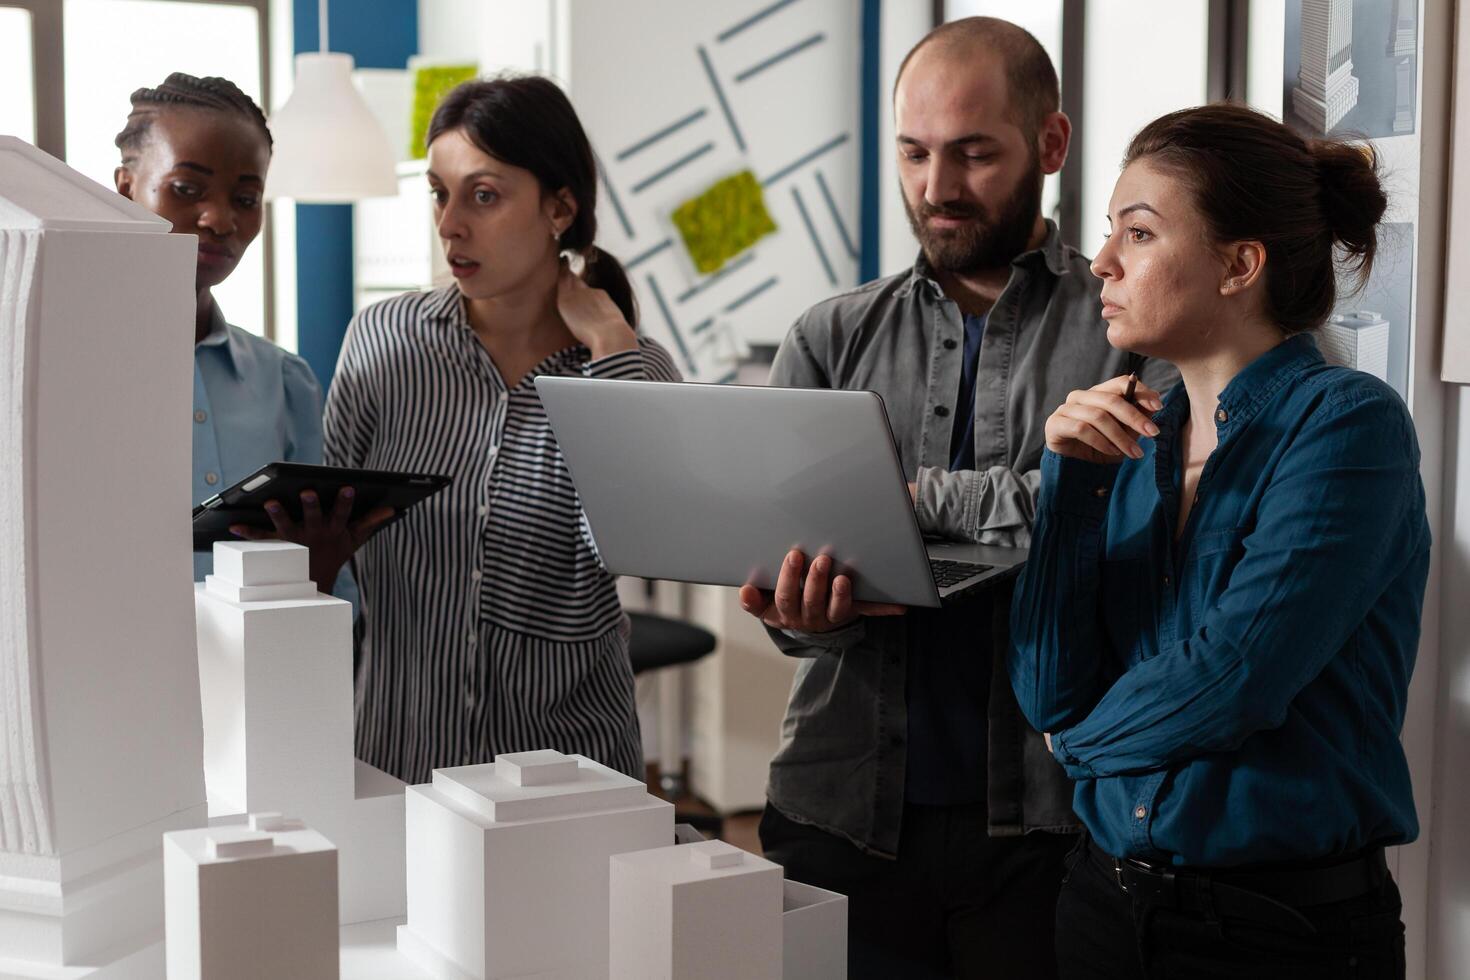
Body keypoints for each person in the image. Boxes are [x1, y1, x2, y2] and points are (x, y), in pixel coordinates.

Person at [738, 18, 1176, 979]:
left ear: (1051, 145)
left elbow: (1138, 521)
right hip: (839, 807)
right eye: (915, 152)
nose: (937, 188)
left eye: (975, 154)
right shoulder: (826, 336)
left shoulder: (1132, 327)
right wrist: (801, 612)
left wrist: (905, 500)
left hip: (1053, 822)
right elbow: (792, 578)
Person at [1009, 103, 1427, 979]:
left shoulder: (1348, 426)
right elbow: (1048, 692)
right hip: (1101, 900)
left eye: (1141, 233)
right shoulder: (1125, 438)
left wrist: (1076, 751)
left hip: (1277, 930)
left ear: (1239, 265)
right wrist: (1069, 485)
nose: (1104, 262)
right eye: (1110, 233)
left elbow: (1235, 675)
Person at [323, 76, 680, 786]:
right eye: (439, 193)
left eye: (483, 195)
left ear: (559, 208)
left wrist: (612, 347)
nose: (450, 223)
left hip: (571, 775)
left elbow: (641, 540)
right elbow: (329, 547)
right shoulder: (382, 343)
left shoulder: (635, 372)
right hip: (402, 757)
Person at [113, 72, 383, 592]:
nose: (218, 219)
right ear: (125, 189)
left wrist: (321, 570)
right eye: (187, 189)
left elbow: (328, 593)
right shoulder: (63, 369)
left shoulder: (285, 381)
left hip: (270, 667)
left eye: (245, 198)